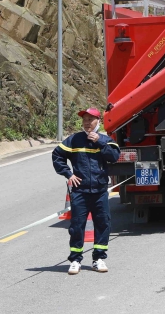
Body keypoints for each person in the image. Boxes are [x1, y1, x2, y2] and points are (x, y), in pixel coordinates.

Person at [52, 107, 120, 275]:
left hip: (99, 190)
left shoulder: (106, 139)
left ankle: (98, 259)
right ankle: (75, 260)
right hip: (79, 191)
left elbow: (114, 157)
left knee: (103, 223)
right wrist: (68, 174)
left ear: (98, 122)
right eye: (85, 120)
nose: (87, 123)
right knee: (77, 226)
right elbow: (57, 155)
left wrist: (100, 141)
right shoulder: (74, 140)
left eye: (91, 119)